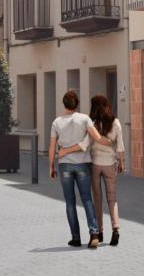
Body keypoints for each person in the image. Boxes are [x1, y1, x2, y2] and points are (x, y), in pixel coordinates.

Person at [48, 89, 113, 249]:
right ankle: (94, 233)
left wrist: (51, 166)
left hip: (65, 165)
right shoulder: (84, 119)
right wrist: (112, 142)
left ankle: (76, 238)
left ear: (64, 105)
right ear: (77, 104)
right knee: (87, 199)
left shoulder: (56, 122)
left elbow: (52, 147)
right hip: (83, 164)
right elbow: (98, 138)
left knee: (70, 202)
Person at [59, 94, 124, 246]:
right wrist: (122, 162)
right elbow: (120, 146)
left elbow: (84, 145)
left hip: (94, 165)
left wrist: (65, 151)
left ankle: (99, 232)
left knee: (97, 198)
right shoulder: (116, 123)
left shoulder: (92, 124)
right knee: (112, 198)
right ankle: (115, 229)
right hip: (110, 164)